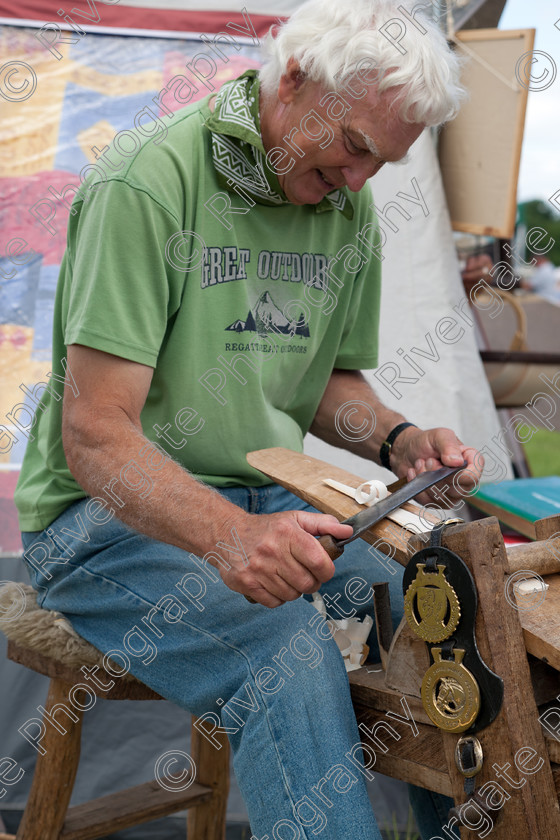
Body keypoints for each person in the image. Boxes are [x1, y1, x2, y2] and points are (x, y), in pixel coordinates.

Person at [15, 1, 482, 837]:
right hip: (101, 524)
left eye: (384, 163)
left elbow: (330, 381)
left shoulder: (346, 209)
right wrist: (230, 538)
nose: (360, 181)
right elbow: (95, 437)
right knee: (288, 655)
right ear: (295, 80)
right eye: (354, 147)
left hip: (262, 497)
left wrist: (401, 440)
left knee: (440, 616)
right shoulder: (148, 183)